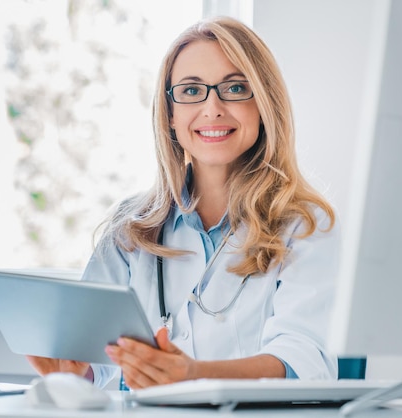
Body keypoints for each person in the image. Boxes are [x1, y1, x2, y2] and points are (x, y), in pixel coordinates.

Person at [27, 15, 340, 390]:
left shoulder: (305, 226)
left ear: (264, 104)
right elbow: (98, 356)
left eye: (235, 88)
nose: (212, 108)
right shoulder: (132, 227)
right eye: (191, 91)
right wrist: (75, 372)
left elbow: (303, 359)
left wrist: (195, 375)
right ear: (171, 114)